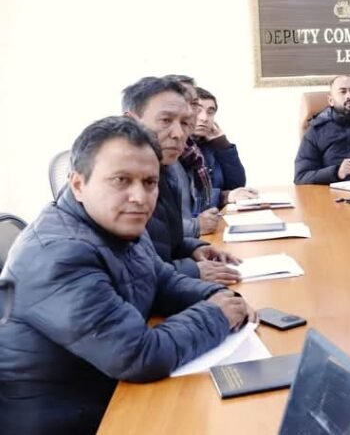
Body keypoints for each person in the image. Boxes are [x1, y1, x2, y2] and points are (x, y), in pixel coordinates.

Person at [0, 116, 255, 434]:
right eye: (121, 180)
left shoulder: (116, 223)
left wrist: (217, 295)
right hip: (72, 420)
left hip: (107, 393)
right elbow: (138, 355)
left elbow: (161, 279)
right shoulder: (58, 255)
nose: (140, 197)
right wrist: (216, 315)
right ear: (78, 184)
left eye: (149, 183)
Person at [123, 77, 240, 285]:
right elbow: (130, 272)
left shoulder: (165, 168)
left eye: (185, 123)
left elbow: (162, 242)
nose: (179, 134)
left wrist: (192, 248)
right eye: (165, 120)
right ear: (132, 121)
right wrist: (192, 270)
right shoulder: (116, 178)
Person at [163, 74, 220, 235]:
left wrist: (224, 146)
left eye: (193, 104)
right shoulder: (157, 154)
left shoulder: (191, 151)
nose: (191, 112)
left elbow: (235, 182)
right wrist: (195, 227)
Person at [193, 86, 256, 208]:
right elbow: (185, 200)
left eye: (210, 112)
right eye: (197, 111)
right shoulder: (179, 149)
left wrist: (223, 146)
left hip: (217, 214)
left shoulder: (211, 144)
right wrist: (223, 197)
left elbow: (236, 185)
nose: (204, 118)